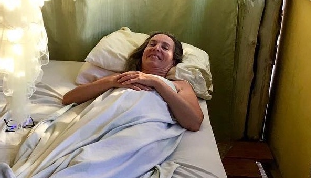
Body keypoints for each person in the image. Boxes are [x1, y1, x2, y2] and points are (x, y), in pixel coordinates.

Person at [61, 32, 204, 132]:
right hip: (100, 125)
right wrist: (111, 81)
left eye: (165, 47)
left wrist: (157, 83)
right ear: (142, 54)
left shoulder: (180, 85)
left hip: (140, 131)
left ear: (173, 61)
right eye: (152, 44)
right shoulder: (121, 78)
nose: (156, 48)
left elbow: (194, 123)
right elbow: (68, 98)